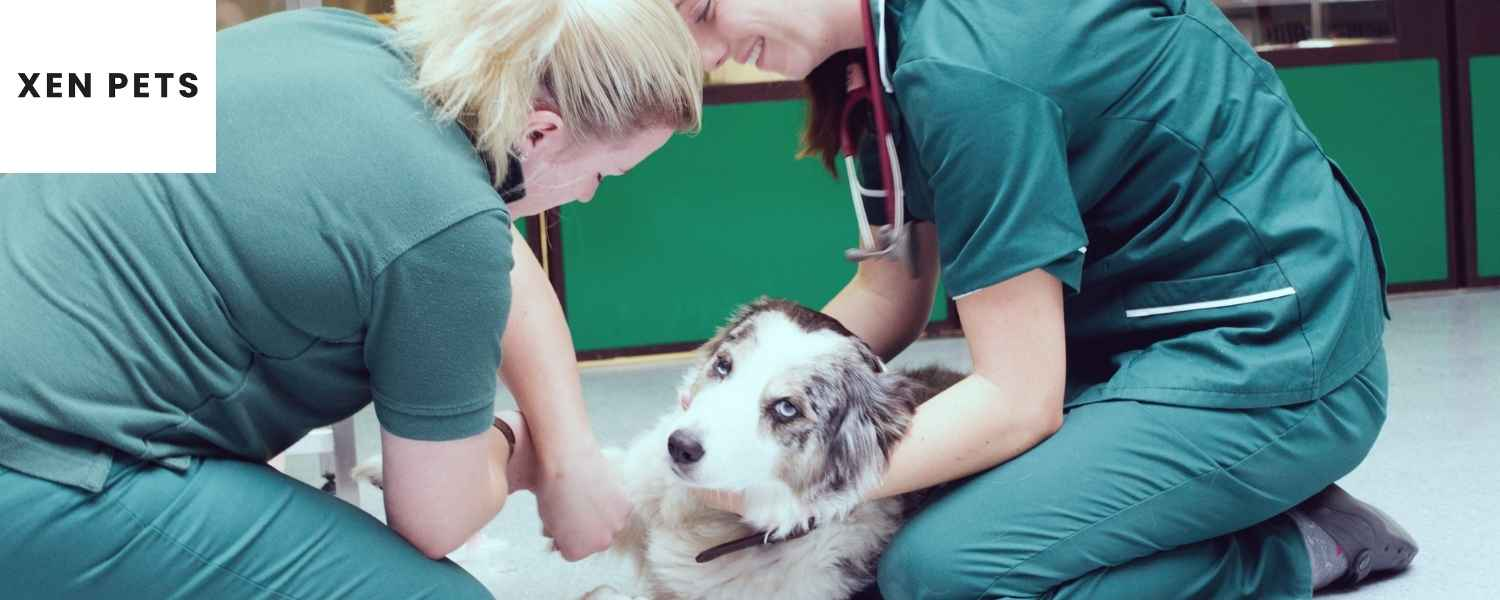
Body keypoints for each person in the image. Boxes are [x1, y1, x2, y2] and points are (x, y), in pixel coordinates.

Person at [675, 1, 1418, 598]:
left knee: (939, 573)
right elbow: (892, 287)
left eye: (705, 12)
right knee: (918, 500)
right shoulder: (876, 56)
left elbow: (1017, 400)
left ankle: (1298, 548)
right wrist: (734, 402)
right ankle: (1200, 499)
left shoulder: (970, 62)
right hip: (1126, 352)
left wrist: (790, 485)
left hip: (1270, 362)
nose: (709, 54)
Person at [0, 0, 702, 597]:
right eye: (603, 175)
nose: (584, 196)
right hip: (44, 461)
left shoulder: (336, 38)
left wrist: (569, 448)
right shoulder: (449, 229)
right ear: (541, 133)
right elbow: (435, 517)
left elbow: (476, 241)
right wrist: (524, 449)